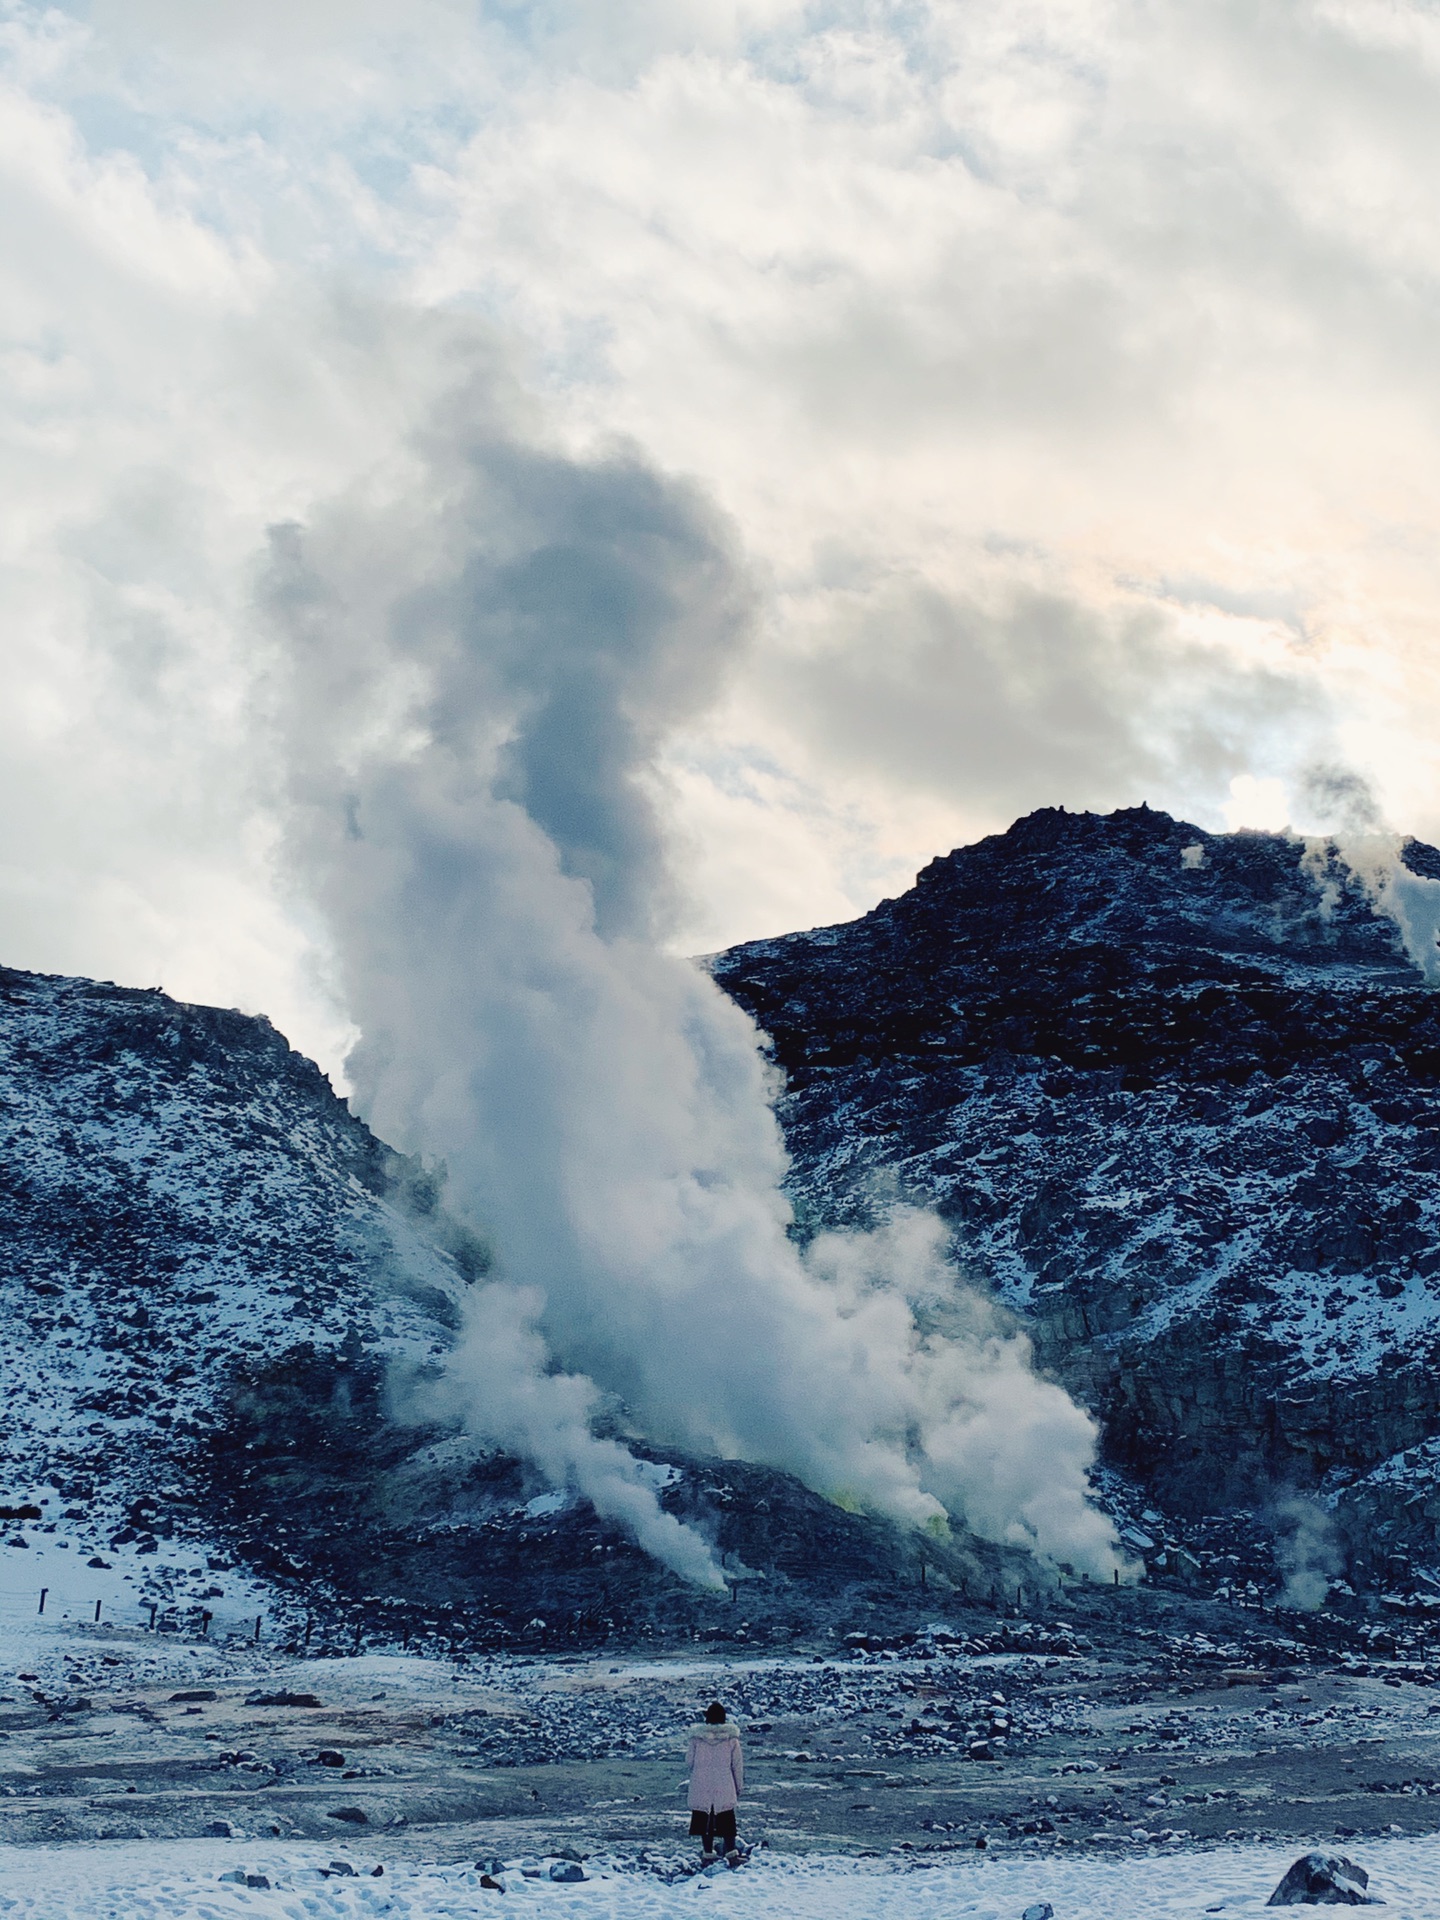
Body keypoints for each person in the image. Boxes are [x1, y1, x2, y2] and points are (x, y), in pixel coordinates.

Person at [685, 1700, 744, 1860]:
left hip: (701, 1784)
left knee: (704, 1818)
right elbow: (737, 1766)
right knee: (727, 1819)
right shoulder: (732, 1740)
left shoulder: (696, 1739)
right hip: (724, 1785)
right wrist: (739, 1787)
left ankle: (708, 1853)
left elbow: (689, 1762)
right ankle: (732, 1853)